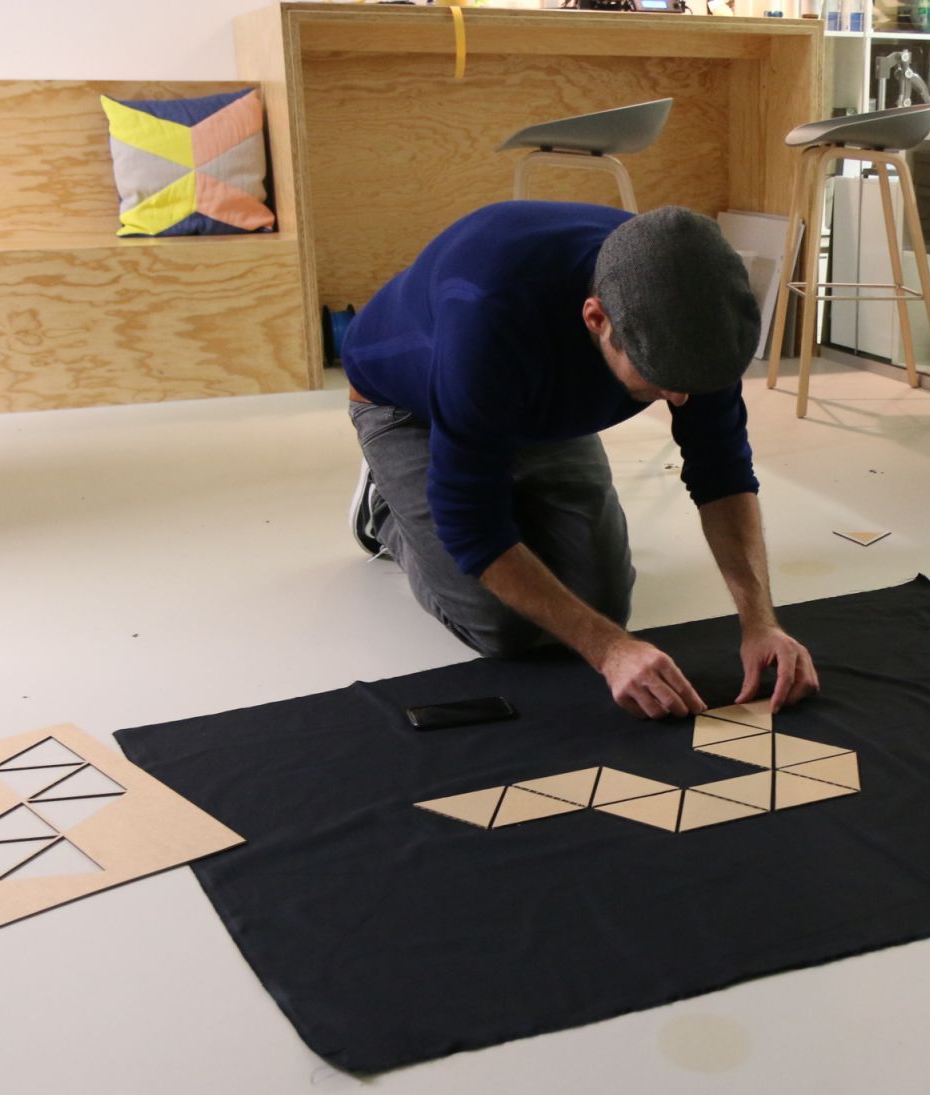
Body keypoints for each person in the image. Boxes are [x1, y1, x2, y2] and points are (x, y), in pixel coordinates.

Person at [341, 202, 820, 719]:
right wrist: (609, 651)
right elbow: (470, 526)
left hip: (538, 402)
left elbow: (722, 471)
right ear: (596, 319)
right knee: (501, 627)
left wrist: (761, 622)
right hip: (411, 407)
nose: (680, 400)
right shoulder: (488, 318)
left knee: (603, 606)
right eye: (659, 380)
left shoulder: (694, 313)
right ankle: (384, 507)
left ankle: (501, 485)